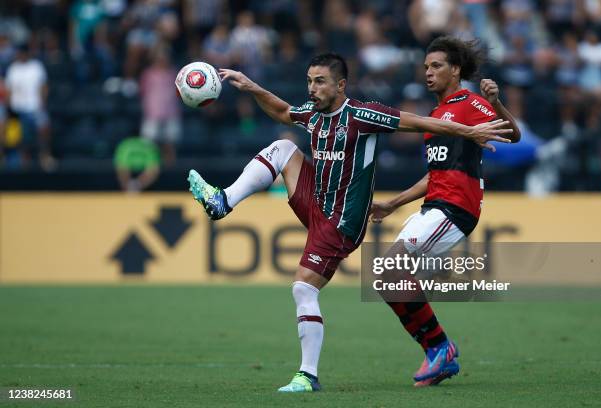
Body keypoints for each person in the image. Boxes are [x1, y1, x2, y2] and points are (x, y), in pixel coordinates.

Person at [187, 53, 512, 392]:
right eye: (309, 81)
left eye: (320, 81)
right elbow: (283, 112)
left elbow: (421, 123)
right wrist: (253, 87)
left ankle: (307, 375)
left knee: (303, 288)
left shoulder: (363, 115)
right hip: (315, 201)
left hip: (342, 220)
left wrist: (468, 131)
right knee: (283, 147)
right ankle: (223, 201)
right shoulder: (314, 114)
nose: (312, 88)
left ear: (340, 85)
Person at [370, 36, 521, 387]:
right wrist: (393, 203)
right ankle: (438, 352)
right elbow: (436, 174)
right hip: (434, 206)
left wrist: (497, 104)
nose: (428, 72)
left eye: (436, 66)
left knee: (391, 271)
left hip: (454, 208)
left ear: (455, 70)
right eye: (425, 67)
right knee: (384, 279)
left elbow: (512, 135)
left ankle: (439, 347)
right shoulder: (437, 116)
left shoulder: (469, 103)